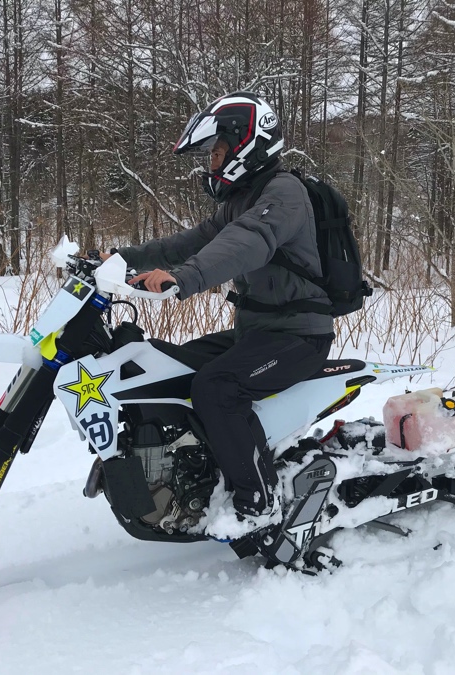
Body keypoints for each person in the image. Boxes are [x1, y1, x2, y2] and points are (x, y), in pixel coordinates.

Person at [100, 91, 334, 519]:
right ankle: (194, 474)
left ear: (246, 144)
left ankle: (257, 501)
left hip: (298, 335)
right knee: (168, 364)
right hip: (258, 331)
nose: (212, 162)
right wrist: (121, 258)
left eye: (218, 151)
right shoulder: (243, 199)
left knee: (216, 388)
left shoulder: (284, 193)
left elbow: (247, 243)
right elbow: (187, 243)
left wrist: (184, 278)